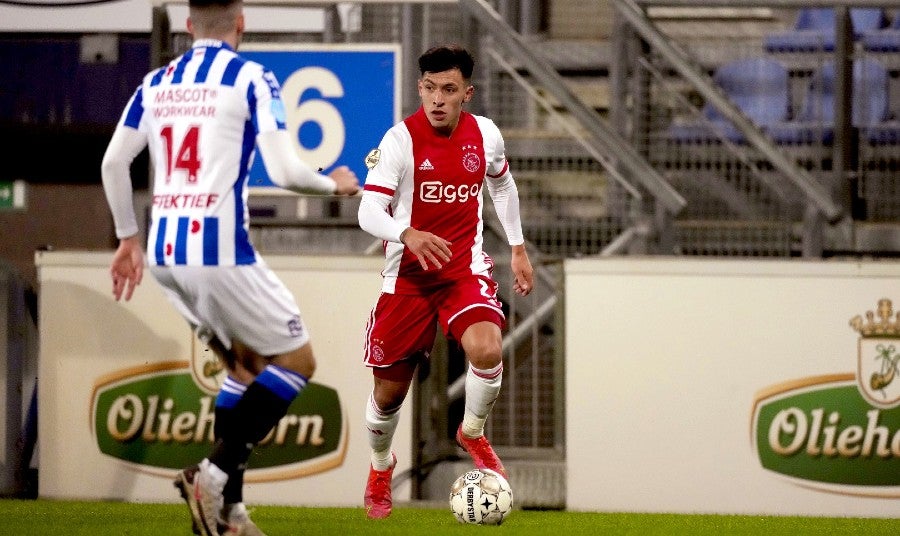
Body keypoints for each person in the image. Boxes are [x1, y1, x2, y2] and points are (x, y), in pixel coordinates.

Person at [99, 0, 360, 533]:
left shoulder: (155, 82)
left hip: (164, 253)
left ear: (188, 25)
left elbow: (113, 162)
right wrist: (333, 183)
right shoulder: (250, 77)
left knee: (243, 368)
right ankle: (213, 476)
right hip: (219, 252)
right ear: (242, 22)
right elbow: (285, 170)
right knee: (298, 361)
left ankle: (229, 514)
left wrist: (128, 236)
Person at [356, 43, 534, 520]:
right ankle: (380, 465)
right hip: (407, 280)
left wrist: (517, 246)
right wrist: (405, 232)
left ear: (467, 94)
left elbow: (501, 184)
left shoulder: (486, 136)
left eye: (448, 90)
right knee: (388, 396)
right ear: (420, 88)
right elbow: (367, 209)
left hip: (462, 270)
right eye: (430, 88)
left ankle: (471, 431)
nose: (437, 99)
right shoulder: (400, 140)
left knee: (487, 350)